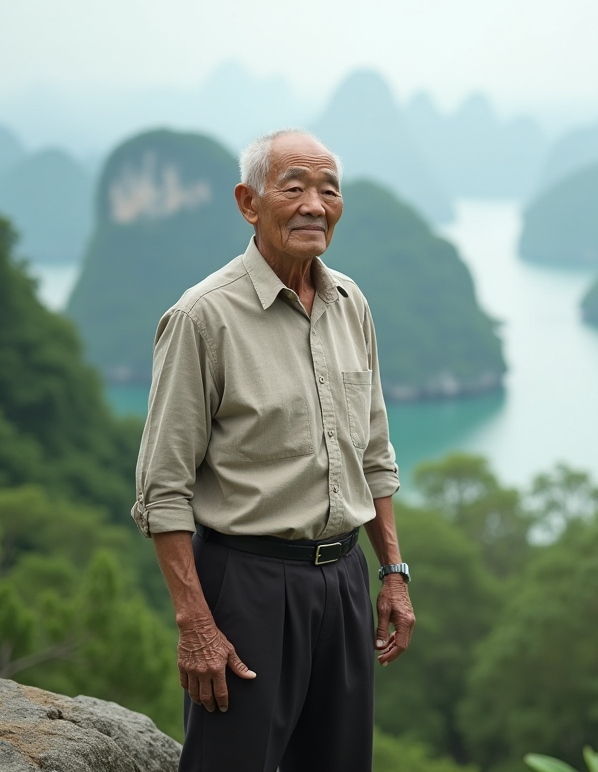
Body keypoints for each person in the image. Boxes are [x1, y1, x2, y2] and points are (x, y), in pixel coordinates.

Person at [130, 129, 415, 772]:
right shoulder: (203, 317)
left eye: (329, 190)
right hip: (246, 585)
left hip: (345, 579)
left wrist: (392, 574)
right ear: (248, 203)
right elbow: (162, 490)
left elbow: (374, 453)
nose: (315, 205)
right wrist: (195, 623)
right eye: (294, 188)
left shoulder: (350, 304)